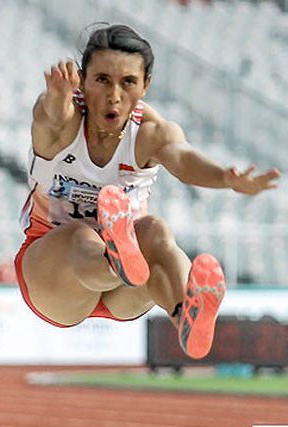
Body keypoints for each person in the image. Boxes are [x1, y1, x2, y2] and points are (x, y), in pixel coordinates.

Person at [14, 24, 280, 359]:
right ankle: (115, 260)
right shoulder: (65, 118)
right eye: (102, 80)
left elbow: (183, 160)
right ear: (82, 80)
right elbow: (50, 116)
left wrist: (225, 178)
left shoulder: (152, 132)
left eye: (128, 82)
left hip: (126, 291)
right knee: (80, 235)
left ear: (145, 86)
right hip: (56, 279)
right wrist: (56, 95)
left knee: (155, 231)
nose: (114, 95)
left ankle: (187, 314)